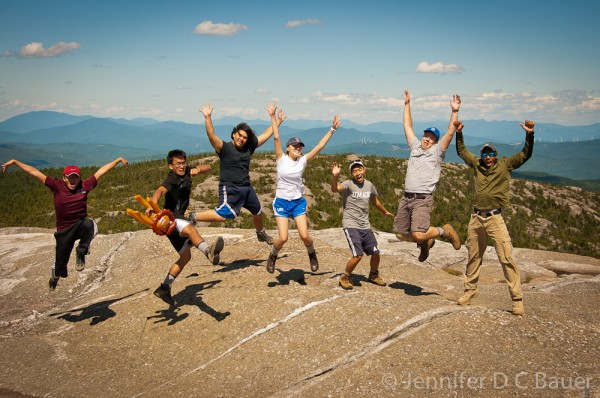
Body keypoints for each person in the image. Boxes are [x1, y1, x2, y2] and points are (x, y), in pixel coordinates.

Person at [1, 157, 128, 290]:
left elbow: (101, 172)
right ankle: (55, 277)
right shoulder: (56, 186)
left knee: (90, 225)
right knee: (60, 265)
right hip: (64, 231)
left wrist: (118, 160)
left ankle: (81, 253)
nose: (73, 180)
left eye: (75, 177)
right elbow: (34, 172)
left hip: (79, 225)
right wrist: (15, 162)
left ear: (79, 178)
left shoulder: (84, 186)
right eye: (70, 177)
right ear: (64, 178)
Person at [454, 119, 535, 316]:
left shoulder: (505, 164)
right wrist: (459, 133)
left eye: (491, 153)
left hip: (494, 218)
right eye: (485, 153)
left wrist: (529, 134)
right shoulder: (477, 165)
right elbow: (462, 151)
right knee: (473, 256)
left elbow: (525, 154)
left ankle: (517, 299)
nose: (488, 157)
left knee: (506, 257)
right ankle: (470, 290)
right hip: (476, 218)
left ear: (496, 155)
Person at [189, 104, 285, 245]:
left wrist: (277, 122)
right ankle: (192, 216)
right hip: (230, 188)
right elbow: (211, 135)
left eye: (245, 137)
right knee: (223, 215)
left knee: (257, 210)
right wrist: (208, 117)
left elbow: (266, 134)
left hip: (246, 187)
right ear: (234, 134)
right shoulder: (224, 148)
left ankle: (260, 233)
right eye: (239, 135)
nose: (242, 139)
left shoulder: (249, 148)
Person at [265, 103, 341, 274]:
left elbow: (319, 147)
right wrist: (273, 117)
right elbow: (276, 137)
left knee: (305, 236)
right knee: (282, 238)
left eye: (300, 147)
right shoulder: (281, 159)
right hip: (282, 202)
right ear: (288, 148)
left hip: (298, 202)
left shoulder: (303, 160)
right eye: (295, 146)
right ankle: (273, 256)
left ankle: (312, 254)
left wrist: (332, 129)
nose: (298, 149)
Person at [393, 89, 462, 262]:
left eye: (431, 138)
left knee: (417, 233)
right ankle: (426, 242)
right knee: (401, 234)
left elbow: (450, 132)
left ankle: (443, 231)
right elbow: (407, 126)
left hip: (422, 199)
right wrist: (407, 104)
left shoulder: (438, 151)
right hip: (406, 197)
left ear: (435, 141)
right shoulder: (415, 146)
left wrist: (454, 111)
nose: (427, 139)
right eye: (426, 135)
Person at [150, 149, 225, 307]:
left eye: (183, 163)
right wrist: (153, 204)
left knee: (185, 257)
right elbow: (160, 191)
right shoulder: (171, 179)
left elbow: (208, 168)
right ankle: (208, 251)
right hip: (172, 219)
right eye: (178, 164)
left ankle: (164, 288)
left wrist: (197, 170)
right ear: (171, 166)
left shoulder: (187, 172)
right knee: (191, 230)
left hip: (175, 222)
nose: (182, 166)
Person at [331, 159, 394, 289]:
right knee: (358, 255)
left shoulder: (369, 185)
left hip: (365, 225)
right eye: (354, 171)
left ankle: (373, 274)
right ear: (351, 174)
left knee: (375, 252)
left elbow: (374, 200)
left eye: (359, 169)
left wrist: (384, 212)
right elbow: (335, 189)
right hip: (351, 223)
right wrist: (335, 176)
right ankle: (345, 277)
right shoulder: (348, 184)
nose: (357, 172)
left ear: (364, 170)